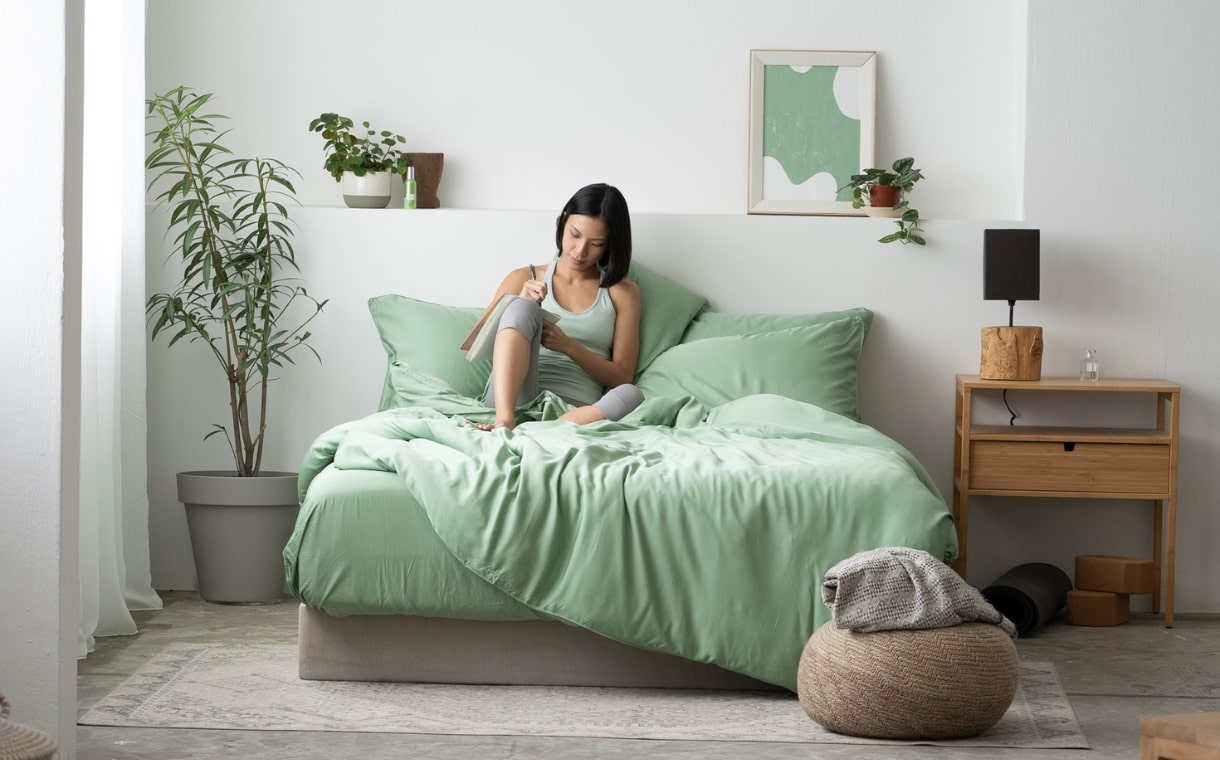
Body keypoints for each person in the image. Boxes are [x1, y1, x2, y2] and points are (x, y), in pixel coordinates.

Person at [474, 183, 644, 431]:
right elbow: (476, 346)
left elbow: (622, 376)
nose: (580, 251)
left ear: (610, 245)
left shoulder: (623, 293)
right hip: (512, 402)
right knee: (523, 308)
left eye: (595, 244)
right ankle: (505, 422)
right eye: (575, 234)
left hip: (576, 413)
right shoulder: (524, 276)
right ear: (563, 222)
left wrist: (569, 346)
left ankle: (539, 432)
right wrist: (516, 303)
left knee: (632, 394)